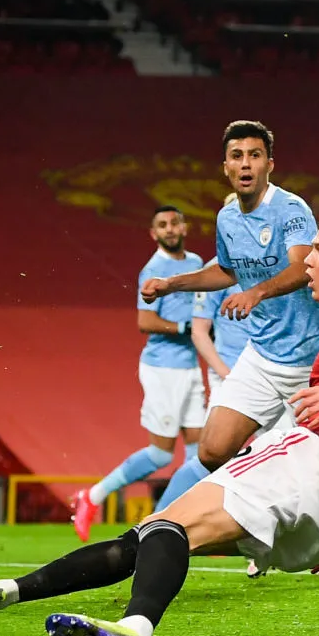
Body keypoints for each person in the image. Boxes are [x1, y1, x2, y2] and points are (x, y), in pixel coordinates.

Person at [0, 200, 319, 636]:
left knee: (168, 525)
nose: (307, 259)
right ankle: (4, 591)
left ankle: (136, 627)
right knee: (153, 536)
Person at [142, 121, 319, 586]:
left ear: (269, 164)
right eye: (236, 155)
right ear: (225, 167)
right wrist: (172, 284)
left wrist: (256, 293)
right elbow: (224, 269)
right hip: (262, 356)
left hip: (311, 360)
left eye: (254, 155)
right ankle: (157, 535)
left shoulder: (291, 210)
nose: (245, 164)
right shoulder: (226, 218)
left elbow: (304, 266)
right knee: (215, 448)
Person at [71, 206, 206, 540]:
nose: (170, 229)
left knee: (197, 453)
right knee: (161, 454)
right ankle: (93, 496)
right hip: (163, 368)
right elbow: (144, 321)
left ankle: (188, 523)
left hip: (190, 367)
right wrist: (186, 326)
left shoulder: (196, 264)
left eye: (175, 223)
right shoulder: (153, 270)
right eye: (163, 225)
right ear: (153, 233)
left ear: (184, 227)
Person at [191, 275, 250, 398]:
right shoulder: (213, 273)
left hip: (272, 372)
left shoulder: (272, 265)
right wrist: (229, 377)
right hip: (232, 373)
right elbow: (199, 332)